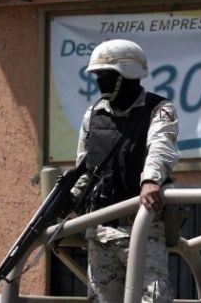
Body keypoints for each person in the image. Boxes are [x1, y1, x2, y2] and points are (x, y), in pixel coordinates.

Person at [69, 39, 180, 302]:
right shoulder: (93, 114)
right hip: (100, 233)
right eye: (98, 76)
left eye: (105, 76)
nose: (100, 82)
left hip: (142, 230)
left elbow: (160, 148)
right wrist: (71, 197)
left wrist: (150, 180)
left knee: (154, 299)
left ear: (127, 74)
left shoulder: (159, 109)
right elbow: (85, 167)